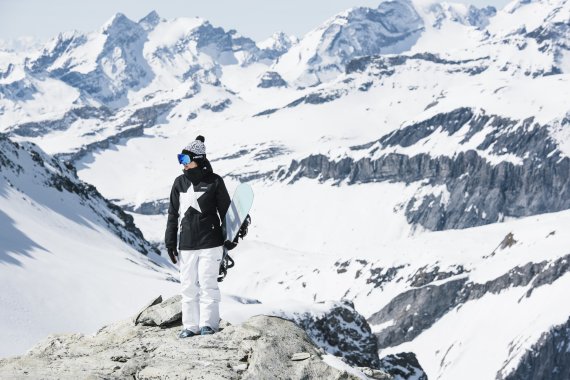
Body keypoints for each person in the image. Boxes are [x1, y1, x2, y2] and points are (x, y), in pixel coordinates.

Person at [164, 135, 232, 338]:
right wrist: (170, 242)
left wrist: (230, 239)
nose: (182, 164)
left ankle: (208, 325)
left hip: (211, 243)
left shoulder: (215, 182)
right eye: (180, 159)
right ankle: (190, 326)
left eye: (185, 159)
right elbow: (172, 214)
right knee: (187, 286)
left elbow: (226, 213)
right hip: (186, 244)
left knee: (208, 283)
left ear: (199, 159)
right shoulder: (179, 183)